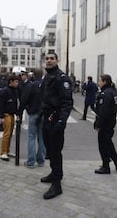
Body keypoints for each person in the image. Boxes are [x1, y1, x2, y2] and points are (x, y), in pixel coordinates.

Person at [40, 52, 73, 200]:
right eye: (47, 59)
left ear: (57, 60)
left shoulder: (62, 78)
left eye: (51, 59)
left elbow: (67, 102)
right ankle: (54, 173)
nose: (48, 61)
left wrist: (62, 121)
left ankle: (57, 184)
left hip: (56, 118)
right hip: (47, 117)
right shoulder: (47, 76)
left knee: (55, 151)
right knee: (49, 149)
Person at [93, 74, 117, 174]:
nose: (98, 83)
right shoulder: (115, 92)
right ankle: (116, 162)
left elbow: (102, 112)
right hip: (112, 121)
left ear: (105, 82)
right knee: (109, 143)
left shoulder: (105, 94)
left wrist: (98, 124)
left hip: (105, 123)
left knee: (103, 145)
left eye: (100, 81)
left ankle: (106, 166)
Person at [19, 68, 46, 168]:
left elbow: (24, 99)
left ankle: (31, 161)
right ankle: (41, 160)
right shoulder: (46, 85)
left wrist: (27, 108)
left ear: (33, 75)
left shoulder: (31, 85)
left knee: (31, 137)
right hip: (44, 113)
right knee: (41, 137)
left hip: (33, 112)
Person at [0, 74, 20, 161]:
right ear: (11, 82)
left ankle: (7, 150)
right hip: (6, 114)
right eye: (16, 82)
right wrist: (1, 116)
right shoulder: (5, 91)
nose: (17, 83)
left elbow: (15, 103)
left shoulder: (14, 90)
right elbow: (1, 104)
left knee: (10, 133)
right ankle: (3, 152)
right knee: (7, 134)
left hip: (12, 114)